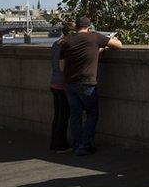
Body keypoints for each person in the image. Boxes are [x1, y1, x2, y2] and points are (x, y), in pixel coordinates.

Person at [61, 16, 123, 156]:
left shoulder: (67, 41)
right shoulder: (94, 37)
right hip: (87, 83)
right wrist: (107, 43)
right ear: (89, 28)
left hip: (69, 83)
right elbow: (119, 45)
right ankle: (85, 144)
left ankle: (77, 145)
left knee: (75, 115)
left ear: (76, 27)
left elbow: (62, 65)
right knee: (92, 113)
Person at [49, 22, 75, 152]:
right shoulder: (66, 45)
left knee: (57, 114)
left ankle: (54, 142)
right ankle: (60, 144)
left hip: (54, 83)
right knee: (64, 116)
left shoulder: (55, 43)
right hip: (63, 84)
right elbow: (62, 66)